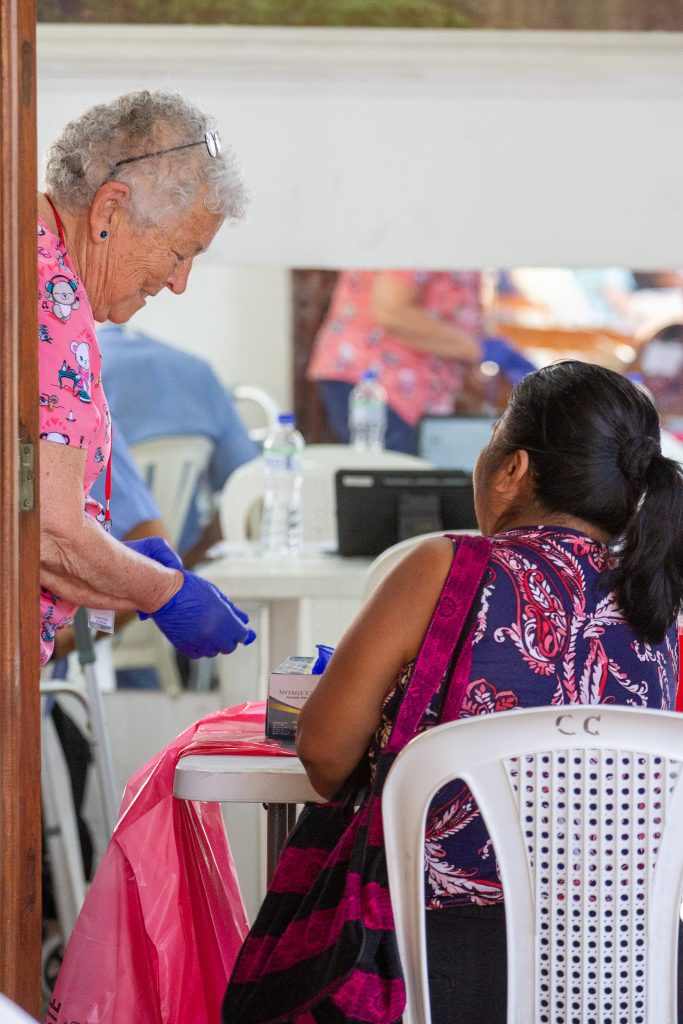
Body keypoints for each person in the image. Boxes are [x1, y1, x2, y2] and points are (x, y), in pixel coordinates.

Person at [297, 360, 683, 1024]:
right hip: (628, 963)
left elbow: (325, 754)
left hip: (439, 959)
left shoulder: (444, 567)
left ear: (512, 469)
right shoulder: (655, 598)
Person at [38, 89, 255, 667]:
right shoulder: (49, 294)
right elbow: (46, 530)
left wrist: (131, 577)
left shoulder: (38, 263)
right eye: (181, 252)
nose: (180, 282)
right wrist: (166, 591)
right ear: (109, 210)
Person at [306, 269, 534, 454]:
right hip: (375, 382)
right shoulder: (417, 234)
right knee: (396, 479)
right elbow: (392, 311)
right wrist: (477, 348)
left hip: (421, 388)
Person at [92, 323, 258, 559]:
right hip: (177, 557)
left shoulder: (83, 373)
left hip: (105, 558)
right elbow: (247, 480)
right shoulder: (197, 370)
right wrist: (191, 559)